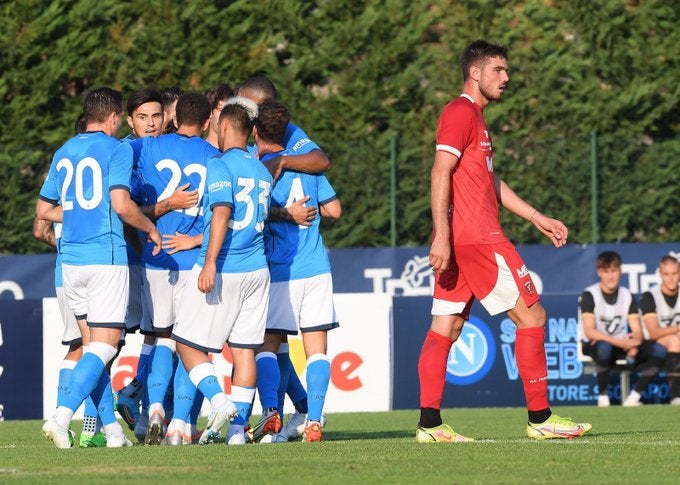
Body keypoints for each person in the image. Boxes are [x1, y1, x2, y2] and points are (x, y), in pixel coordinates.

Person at [417, 40, 591, 442]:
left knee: (446, 328)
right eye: (499, 69)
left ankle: (429, 425)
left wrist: (536, 217)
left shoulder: (475, 118)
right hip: (479, 239)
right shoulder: (461, 111)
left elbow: (488, 181)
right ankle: (541, 418)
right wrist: (442, 236)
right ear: (475, 73)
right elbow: (439, 172)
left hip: (463, 241)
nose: (506, 78)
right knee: (533, 317)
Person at [36, 87, 161, 448]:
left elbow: (44, 211)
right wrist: (150, 227)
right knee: (105, 347)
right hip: (105, 259)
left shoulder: (64, 151)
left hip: (70, 262)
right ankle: (60, 417)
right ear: (114, 118)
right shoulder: (117, 148)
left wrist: (78, 213)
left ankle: (111, 432)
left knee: (93, 350)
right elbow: (122, 205)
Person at [172, 99, 272, 446]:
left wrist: (210, 261)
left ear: (224, 127)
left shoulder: (220, 165)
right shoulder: (261, 169)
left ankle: (218, 401)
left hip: (227, 266)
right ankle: (236, 433)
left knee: (185, 342)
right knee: (244, 351)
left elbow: (222, 213)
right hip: (258, 270)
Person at [238, 76, 333, 437]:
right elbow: (333, 206)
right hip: (314, 264)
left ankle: (270, 412)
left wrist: (279, 162)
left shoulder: (287, 140)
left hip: (274, 265)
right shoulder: (276, 145)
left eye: (246, 104)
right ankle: (312, 417)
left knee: (267, 344)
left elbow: (321, 160)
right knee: (314, 348)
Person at [127, 92, 220, 445]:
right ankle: (180, 423)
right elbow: (224, 215)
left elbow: (125, 197)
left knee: (161, 339)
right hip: (193, 262)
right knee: (190, 343)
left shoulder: (146, 148)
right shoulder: (216, 158)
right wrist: (195, 241)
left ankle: (153, 410)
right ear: (209, 122)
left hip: (155, 258)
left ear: (172, 117)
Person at [579, 251, 666, 406]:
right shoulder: (590, 295)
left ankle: (634, 397)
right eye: (606, 271)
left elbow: (637, 329)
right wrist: (622, 344)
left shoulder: (627, 295)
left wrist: (635, 342)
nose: (610, 276)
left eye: (614, 271)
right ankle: (603, 397)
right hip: (594, 344)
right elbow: (589, 331)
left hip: (621, 344)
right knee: (604, 347)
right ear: (599, 272)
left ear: (620, 271)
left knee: (659, 350)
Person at [639, 255, 680, 404]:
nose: (671, 278)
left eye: (674, 273)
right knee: (674, 341)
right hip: (648, 346)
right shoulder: (650, 296)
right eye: (667, 274)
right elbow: (653, 332)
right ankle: (676, 395)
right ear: (660, 274)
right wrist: (677, 328)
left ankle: (635, 394)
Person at [205, 83, 236, 148]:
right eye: (222, 110)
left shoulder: (245, 153)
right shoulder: (199, 151)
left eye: (230, 112)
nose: (226, 116)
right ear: (210, 112)